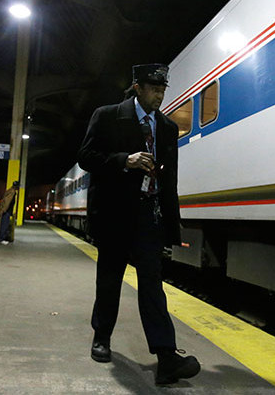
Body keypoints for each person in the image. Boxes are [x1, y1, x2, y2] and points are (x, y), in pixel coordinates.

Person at [77, 63, 200, 385]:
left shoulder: (167, 128)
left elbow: (169, 178)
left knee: (152, 285)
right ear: (137, 87)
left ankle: (167, 357)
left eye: (162, 89)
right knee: (109, 280)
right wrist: (124, 160)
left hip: (149, 215)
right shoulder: (106, 115)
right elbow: (86, 157)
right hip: (115, 214)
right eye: (153, 88)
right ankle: (101, 337)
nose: (159, 95)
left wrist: (171, 220)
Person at [0, 181, 19, 245]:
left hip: (6, 211)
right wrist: (4, 210)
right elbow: (7, 201)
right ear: (16, 187)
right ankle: (1, 239)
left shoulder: (10, 190)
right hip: (6, 211)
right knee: (4, 225)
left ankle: (0, 238)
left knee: (2, 225)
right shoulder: (12, 192)